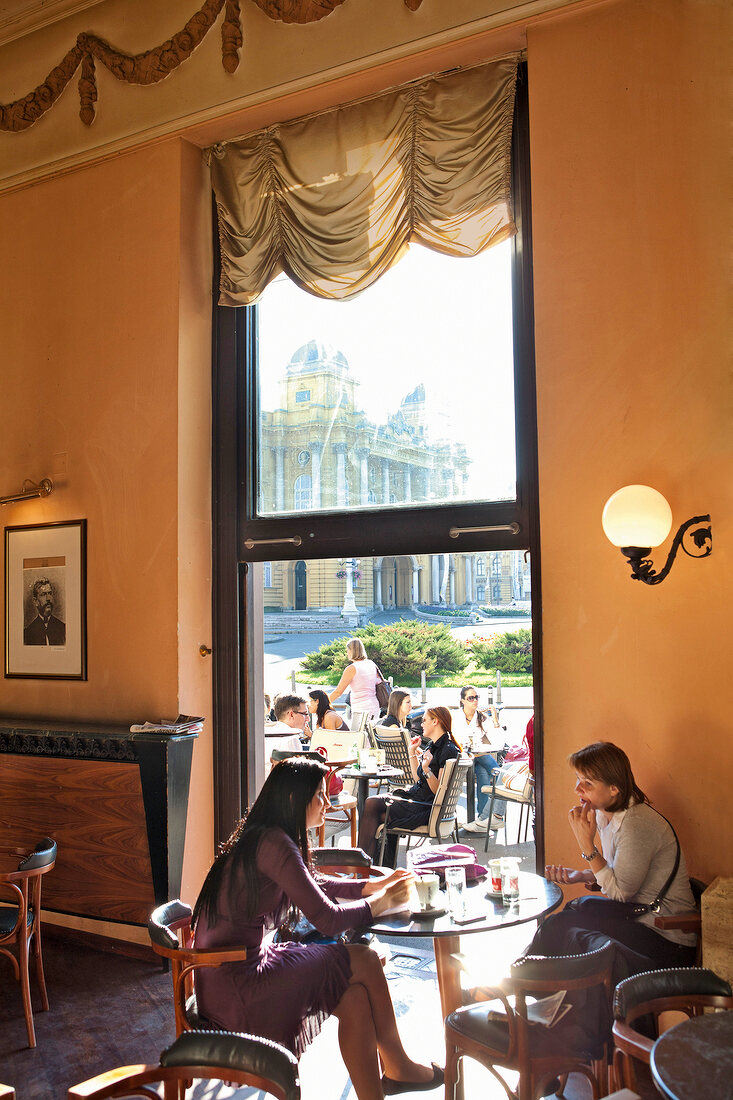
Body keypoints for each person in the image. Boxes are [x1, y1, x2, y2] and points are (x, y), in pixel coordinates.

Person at [193, 757, 443, 1098]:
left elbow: (312, 883)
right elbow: (327, 918)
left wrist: (368, 889)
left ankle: (384, 1085)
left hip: (226, 975)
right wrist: (379, 904)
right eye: (321, 796)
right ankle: (399, 1066)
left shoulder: (263, 837)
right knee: (364, 960)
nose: (328, 804)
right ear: (295, 800)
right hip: (237, 988)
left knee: (353, 998)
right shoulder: (274, 844)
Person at [527, 740, 697, 977]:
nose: (578, 789)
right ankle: (532, 991)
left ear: (614, 788)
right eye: (578, 778)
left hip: (666, 939)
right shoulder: (605, 815)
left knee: (566, 928)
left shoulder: (636, 825)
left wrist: (586, 845)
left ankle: (523, 989)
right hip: (637, 918)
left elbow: (619, 892)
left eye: (587, 783)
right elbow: (616, 874)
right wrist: (582, 875)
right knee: (570, 915)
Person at [357, 706, 461, 867]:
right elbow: (417, 778)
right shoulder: (433, 745)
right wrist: (412, 752)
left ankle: (364, 867)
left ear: (435, 721)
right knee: (377, 812)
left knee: (373, 805)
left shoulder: (447, 750)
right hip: (417, 799)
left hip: (426, 807)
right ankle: (373, 868)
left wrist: (427, 769)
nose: (421, 724)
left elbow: (438, 791)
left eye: (424, 720)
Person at [455, 686, 506, 834]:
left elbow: (499, 742)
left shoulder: (482, 718)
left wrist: (495, 720)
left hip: (479, 756)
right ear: (462, 700)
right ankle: (486, 818)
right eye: (471, 698)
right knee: (496, 774)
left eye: (477, 697)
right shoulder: (456, 717)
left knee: (482, 771)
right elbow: (455, 738)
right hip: (462, 757)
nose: (475, 701)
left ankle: (482, 820)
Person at [329, 638, 380, 720]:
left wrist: (323, 703)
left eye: (347, 650)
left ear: (351, 651)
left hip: (360, 709)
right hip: (374, 706)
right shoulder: (371, 664)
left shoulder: (352, 668)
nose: (347, 653)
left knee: (358, 733)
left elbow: (338, 692)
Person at [23, 578, 66, 646]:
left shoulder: (63, 628)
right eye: (43, 594)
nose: (48, 598)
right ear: (35, 601)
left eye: (50, 593)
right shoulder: (28, 633)